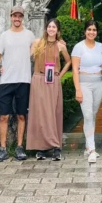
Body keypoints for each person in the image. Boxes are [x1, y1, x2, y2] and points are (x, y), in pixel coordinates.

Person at [0, 6, 36, 162]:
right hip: (7, 80)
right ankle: (2, 148)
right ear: (10, 17)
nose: (17, 19)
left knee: (22, 115)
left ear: (23, 17)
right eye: (15, 16)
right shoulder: (4, 36)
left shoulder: (29, 35)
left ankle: (19, 146)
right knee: (4, 116)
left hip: (24, 80)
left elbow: (38, 49)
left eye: (20, 16)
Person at [27, 18, 72, 160]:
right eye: (49, 26)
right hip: (38, 79)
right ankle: (41, 147)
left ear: (57, 30)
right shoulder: (37, 43)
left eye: (54, 27)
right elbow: (26, 58)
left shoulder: (61, 45)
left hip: (53, 80)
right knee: (40, 112)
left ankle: (55, 145)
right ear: (46, 28)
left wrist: (61, 74)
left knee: (53, 111)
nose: (51, 29)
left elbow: (69, 61)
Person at [71, 20, 102, 163]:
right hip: (84, 83)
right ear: (85, 31)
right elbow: (75, 69)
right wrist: (78, 90)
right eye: (89, 29)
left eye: (94, 30)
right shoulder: (78, 47)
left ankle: (88, 146)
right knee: (87, 115)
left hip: (98, 83)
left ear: (96, 32)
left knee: (92, 114)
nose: (91, 32)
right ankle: (92, 149)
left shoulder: (101, 47)